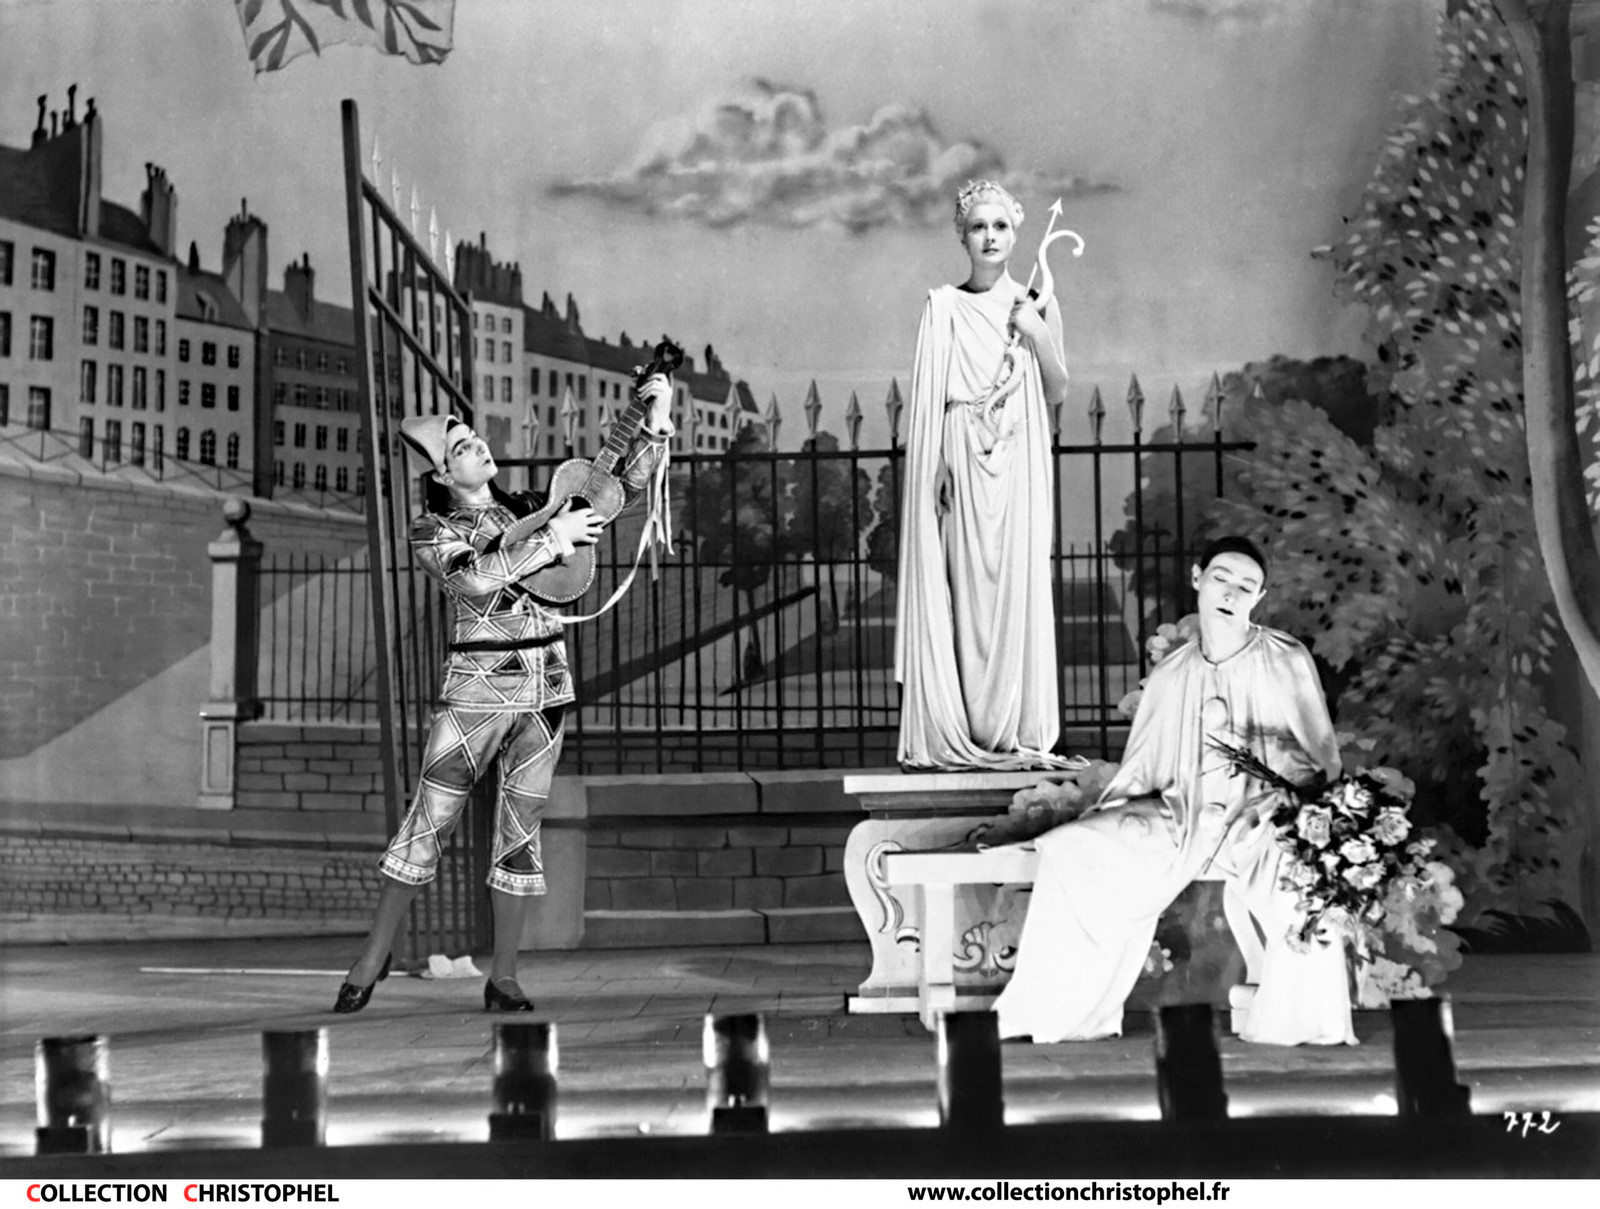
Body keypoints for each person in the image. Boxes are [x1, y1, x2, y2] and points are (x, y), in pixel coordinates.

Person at [333, 374, 675, 1014]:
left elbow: (617, 494)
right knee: (428, 821)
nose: (479, 447)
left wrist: (653, 425)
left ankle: (506, 976)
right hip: (475, 693)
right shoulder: (432, 530)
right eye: (462, 447)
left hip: (546, 692)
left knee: (520, 833)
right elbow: (472, 579)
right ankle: (371, 958)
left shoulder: (531, 506)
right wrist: (553, 539)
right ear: (443, 473)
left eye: (475, 438)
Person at [993, 536, 1357, 1046]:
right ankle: (1053, 1013)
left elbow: (1319, 760)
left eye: (1246, 586)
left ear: (1259, 597)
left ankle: (1299, 1020)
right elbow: (1141, 769)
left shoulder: (1283, 659)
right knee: (1072, 850)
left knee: (1303, 875)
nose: (1230, 593)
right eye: (1221, 578)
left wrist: (1283, 804)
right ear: (1197, 579)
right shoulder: (1173, 672)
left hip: (1262, 820)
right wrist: (1108, 816)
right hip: (1182, 818)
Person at [895, 179, 1071, 770]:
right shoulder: (943, 306)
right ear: (962, 236)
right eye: (978, 227)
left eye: (1000, 226)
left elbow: (1058, 388)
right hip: (961, 460)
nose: (990, 236)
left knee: (1016, 585)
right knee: (966, 592)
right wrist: (937, 465)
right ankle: (968, 722)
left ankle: (1016, 725)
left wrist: (1037, 332)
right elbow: (930, 404)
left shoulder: (1037, 302)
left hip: (1017, 459)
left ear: (1016, 234)